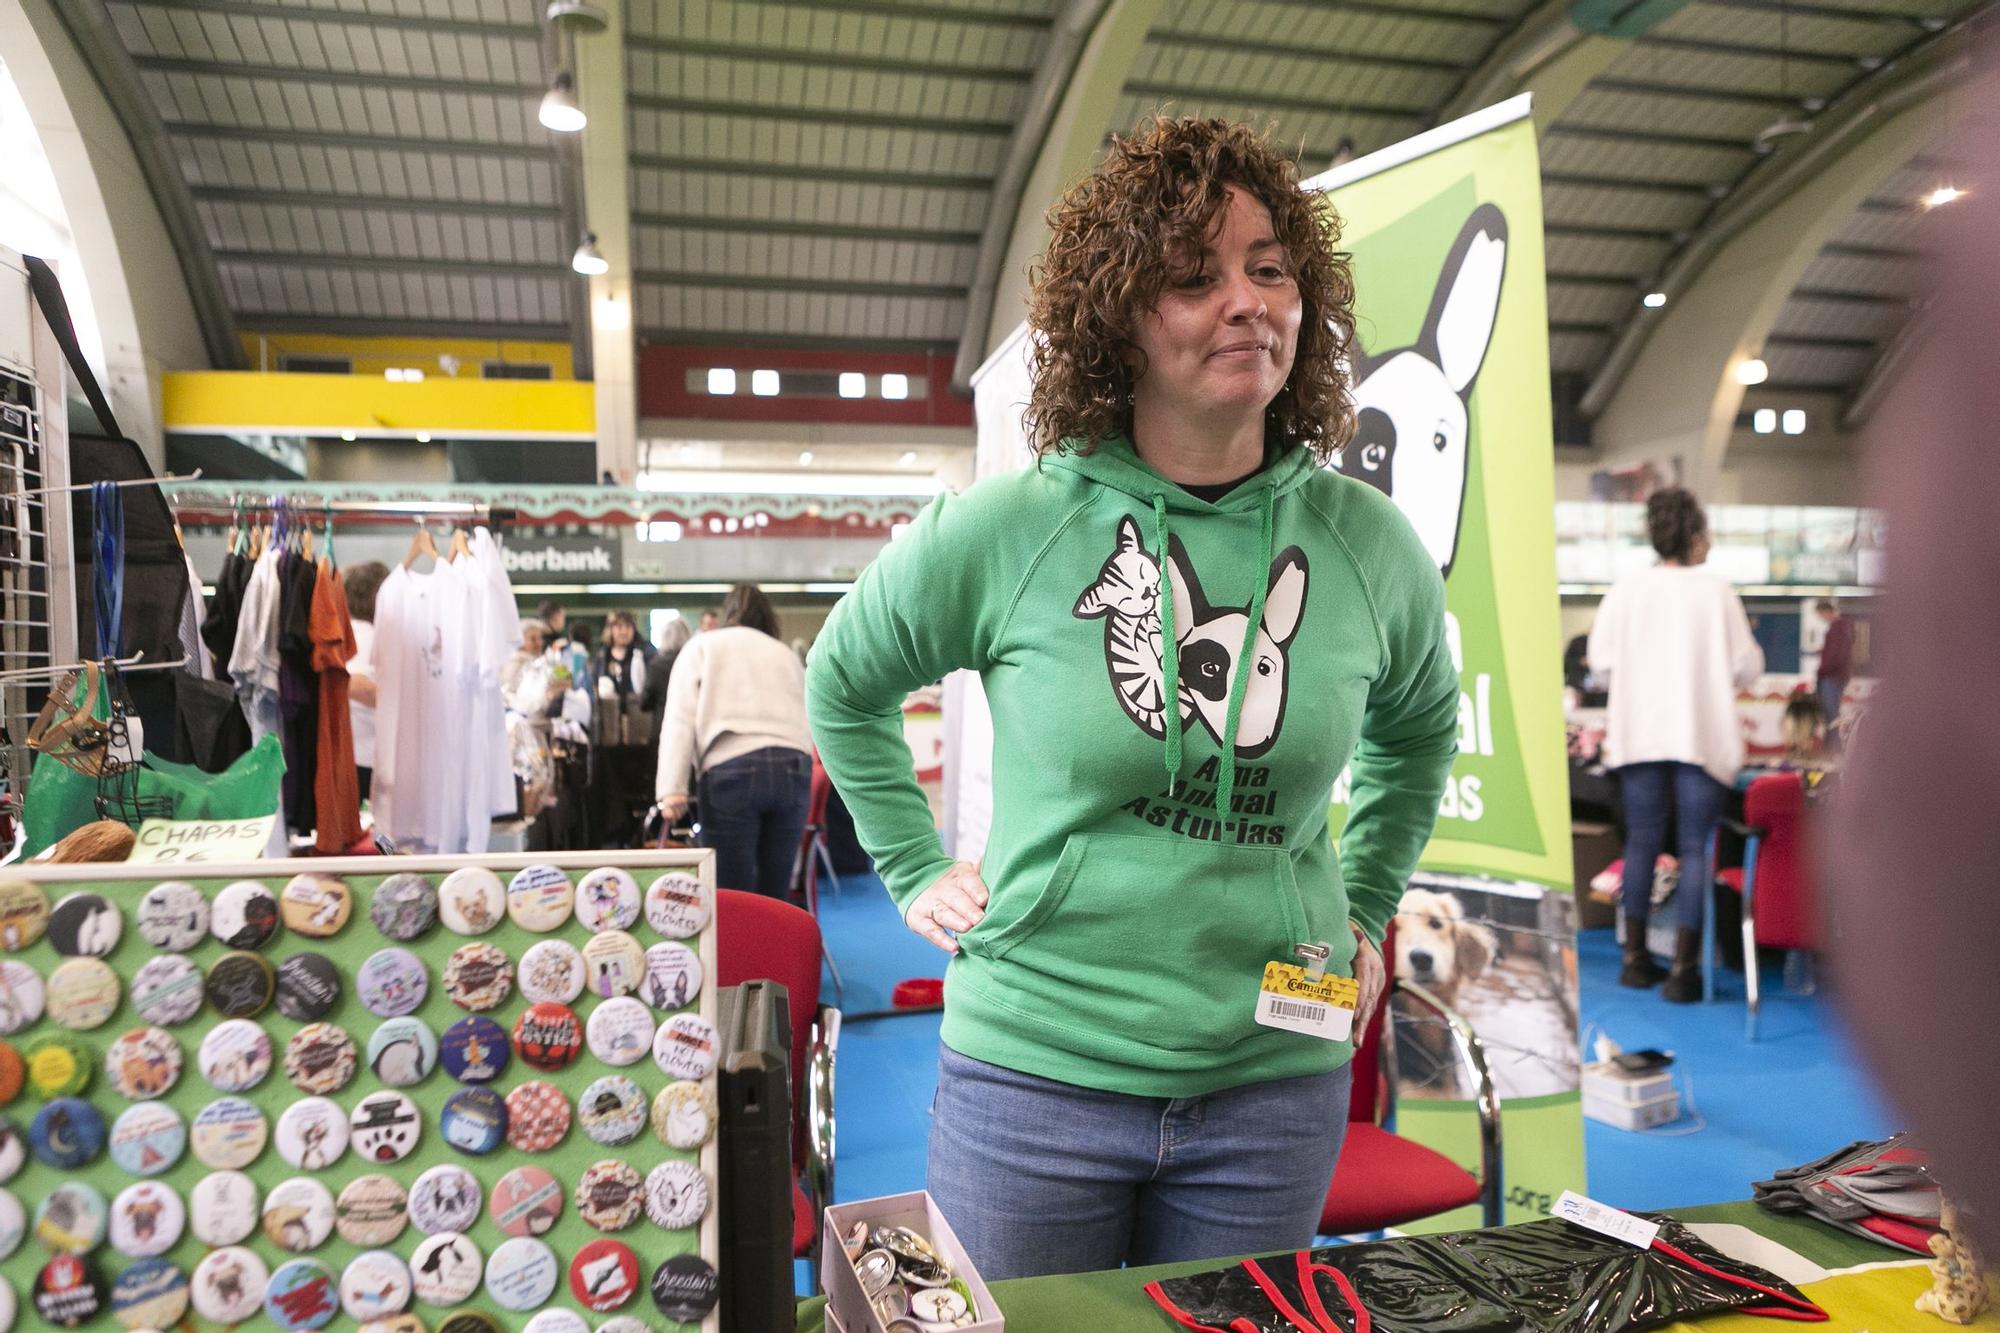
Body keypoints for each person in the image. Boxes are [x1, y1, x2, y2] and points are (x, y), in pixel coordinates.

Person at [806, 117, 1459, 1280]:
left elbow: (1417, 732)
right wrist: (909, 865)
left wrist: (1364, 902)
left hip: (1273, 1080)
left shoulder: (1367, 546)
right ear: (1119, 316)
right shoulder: (1013, 526)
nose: (1245, 302)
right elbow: (843, 681)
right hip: (1035, 1076)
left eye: (1269, 269)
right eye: (1194, 277)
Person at [1588, 488, 1763, 1002]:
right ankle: (1685, 972)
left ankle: (1634, 961)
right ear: (1694, 535)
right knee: (1694, 849)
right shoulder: (1717, 591)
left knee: (1641, 843)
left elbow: (1600, 665)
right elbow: (1746, 667)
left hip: (1640, 735)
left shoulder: (1626, 589)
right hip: (1700, 736)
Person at [657, 584, 813, 898]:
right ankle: (774, 932)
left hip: (731, 767)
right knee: (776, 893)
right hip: (794, 768)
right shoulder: (785, 653)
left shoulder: (703, 645)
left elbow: (679, 718)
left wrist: (671, 790)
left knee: (733, 894)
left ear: (727, 613)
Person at [590, 611, 658, 848]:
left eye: (627, 626)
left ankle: (641, 833)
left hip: (640, 731)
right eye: (618, 626)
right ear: (610, 630)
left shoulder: (645, 652)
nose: (623, 631)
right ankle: (616, 832)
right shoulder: (602, 656)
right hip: (610, 735)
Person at [342, 561, 389, 801]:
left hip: (356, 754)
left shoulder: (351, 632)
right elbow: (353, 683)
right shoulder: (365, 636)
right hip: (364, 758)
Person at [1813, 598, 1853, 726]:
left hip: (1831, 676)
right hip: (1838, 674)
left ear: (1825, 612)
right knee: (1832, 714)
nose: (1820, 618)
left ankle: (1834, 739)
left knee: (1831, 717)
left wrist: (1822, 670)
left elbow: (1835, 655)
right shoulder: (1843, 627)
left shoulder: (1837, 629)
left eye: (1820, 614)